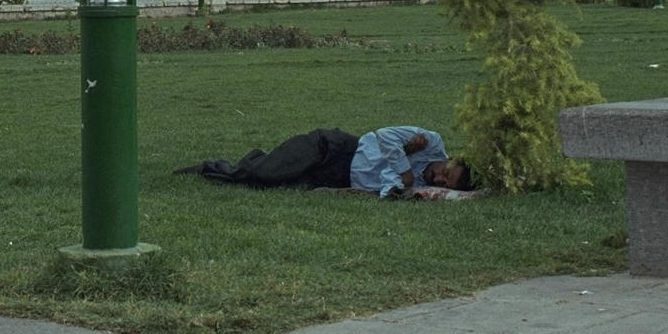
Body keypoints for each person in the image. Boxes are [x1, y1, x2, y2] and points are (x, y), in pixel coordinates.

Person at [176, 125, 475, 197]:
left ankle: (247, 164)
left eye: (444, 184)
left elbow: (390, 187)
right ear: (453, 160)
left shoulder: (422, 186)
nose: (438, 179)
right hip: (334, 148)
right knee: (266, 174)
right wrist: (405, 167)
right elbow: (383, 136)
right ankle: (209, 168)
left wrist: (402, 182)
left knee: (270, 185)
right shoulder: (430, 141)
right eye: (446, 174)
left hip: (337, 177)